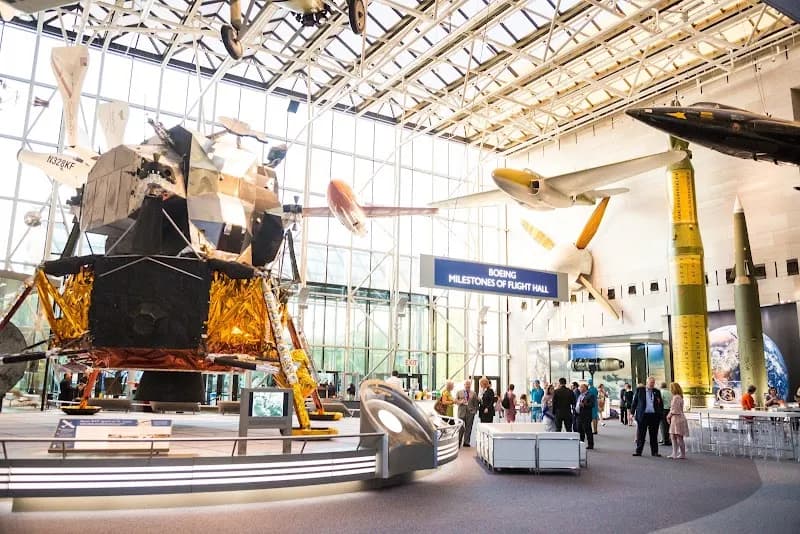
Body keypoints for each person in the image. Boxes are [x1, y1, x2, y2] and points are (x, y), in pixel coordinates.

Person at [631, 376, 664, 457]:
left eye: (653, 383)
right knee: (641, 435)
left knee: (653, 435)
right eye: (651, 383)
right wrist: (632, 413)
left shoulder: (657, 391)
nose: (652, 384)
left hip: (654, 416)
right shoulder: (640, 390)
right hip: (643, 415)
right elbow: (634, 402)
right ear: (647, 382)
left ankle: (655, 452)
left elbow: (661, 404)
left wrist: (660, 414)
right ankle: (638, 451)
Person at [667, 382, 689, 459]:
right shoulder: (679, 397)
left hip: (677, 418)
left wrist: (668, 416)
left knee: (678, 437)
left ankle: (680, 454)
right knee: (674, 436)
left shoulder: (676, 398)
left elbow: (674, 410)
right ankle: (675, 453)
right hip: (678, 418)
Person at [456, 380, 479, 446]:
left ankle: (466, 442)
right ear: (464, 385)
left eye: (469, 384)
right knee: (461, 428)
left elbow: (476, 403)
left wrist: (474, 411)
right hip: (461, 413)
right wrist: (460, 402)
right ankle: (458, 442)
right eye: (466, 384)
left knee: (469, 428)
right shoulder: (459, 392)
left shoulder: (473, 393)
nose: (467, 386)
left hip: (470, 413)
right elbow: (456, 400)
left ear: (470, 385)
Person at [574, 383, 595, 449]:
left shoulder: (590, 395)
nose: (580, 389)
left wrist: (584, 405)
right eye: (580, 387)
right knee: (579, 429)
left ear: (585, 388)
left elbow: (592, 405)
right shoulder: (580, 395)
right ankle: (581, 443)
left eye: (581, 387)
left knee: (587, 430)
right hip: (578, 415)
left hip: (586, 416)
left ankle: (590, 444)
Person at [659, 381, 673, 447]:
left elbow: (659, 401)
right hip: (669, 410)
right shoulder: (670, 393)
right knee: (668, 425)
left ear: (660, 386)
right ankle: (668, 439)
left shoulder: (661, 392)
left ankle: (665, 440)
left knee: (663, 426)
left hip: (663, 410)